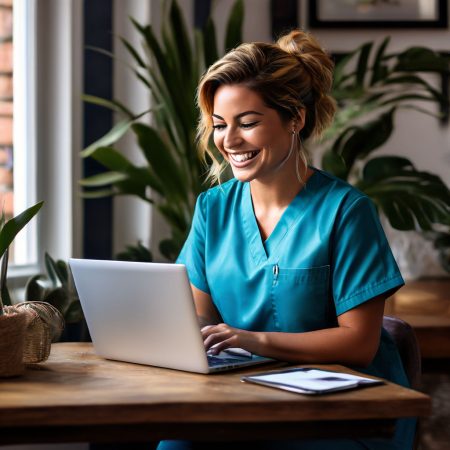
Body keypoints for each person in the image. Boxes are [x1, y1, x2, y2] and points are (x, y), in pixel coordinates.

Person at [157, 29, 415, 450]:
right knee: (176, 445)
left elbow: (359, 344)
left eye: (249, 122)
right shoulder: (213, 208)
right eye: (220, 125)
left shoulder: (346, 212)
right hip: (244, 395)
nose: (230, 140)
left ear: (295, 118)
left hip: (347, 411)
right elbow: (201, 318)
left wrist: (251, 340)